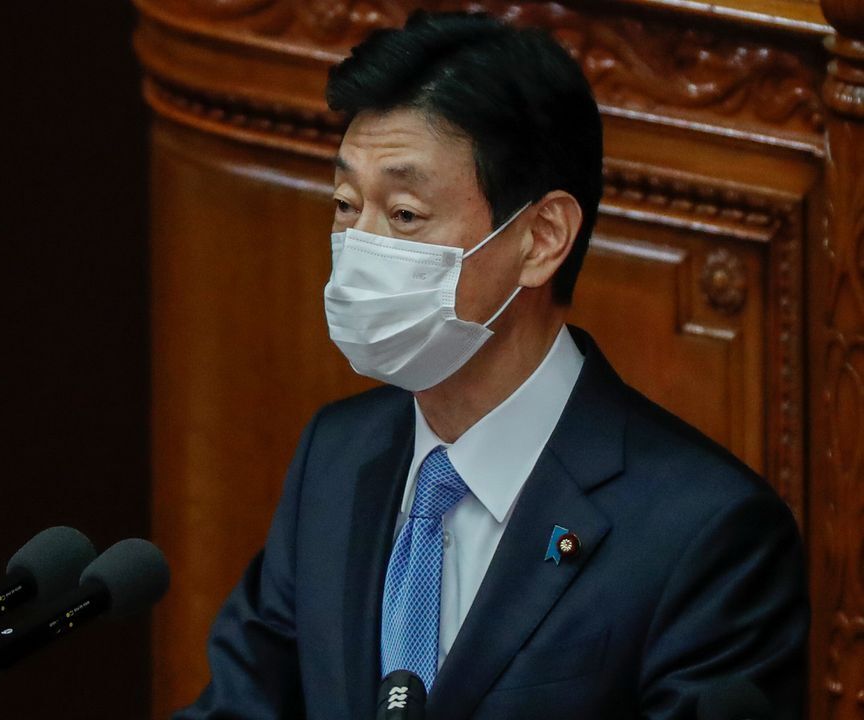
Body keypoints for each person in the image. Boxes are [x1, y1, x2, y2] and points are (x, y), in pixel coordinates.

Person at [174, 11, 808, 720]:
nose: (360, 247)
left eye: (406, 215)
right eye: (346, 205)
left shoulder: (707, 535)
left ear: (541, 239)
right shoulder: (337, 457)